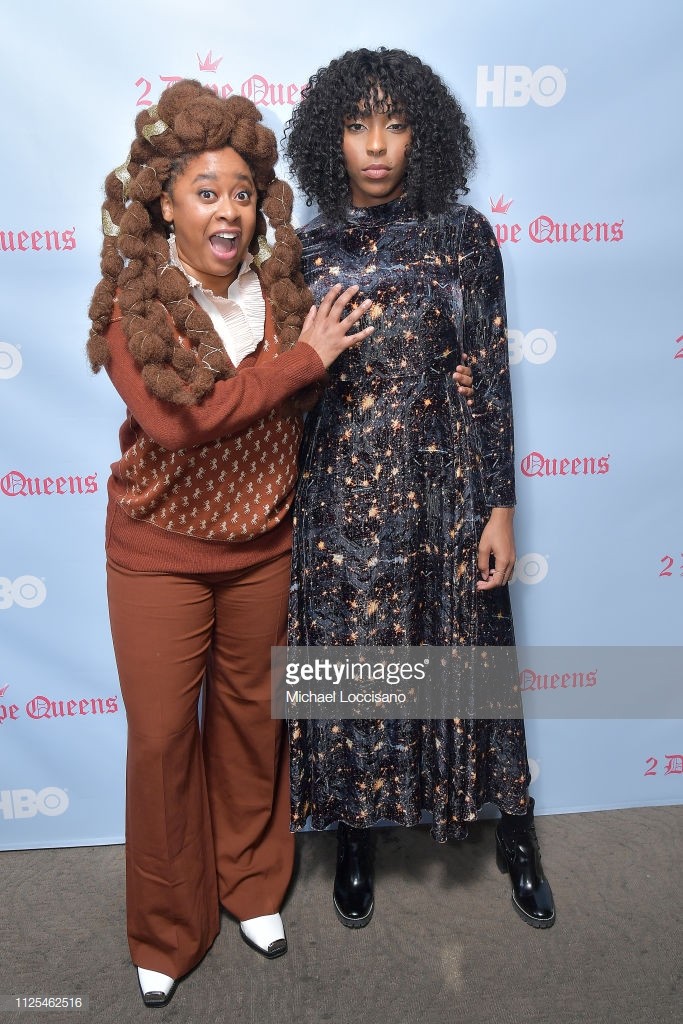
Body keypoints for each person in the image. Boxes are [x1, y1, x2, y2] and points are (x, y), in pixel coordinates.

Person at [86, 79, 379, 1007]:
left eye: (242, 192)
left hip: (264, 549)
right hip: (159, 556)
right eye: (205, 190)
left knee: (255, 725)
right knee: (166, 740)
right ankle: (168, 930)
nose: (227, 208)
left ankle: (252, 886)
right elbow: (181, 424)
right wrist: (304, 363)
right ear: (164, 202)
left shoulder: (284, 298)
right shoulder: (133, 306)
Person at [284, 48, 555, 929]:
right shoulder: (301, 248)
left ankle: (514, 832)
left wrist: (501, 506)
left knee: (471, 661)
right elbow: (281, 378)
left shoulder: (463, 235)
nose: (375, 145)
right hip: (336, 486)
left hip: (443, 485)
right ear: (329, 137)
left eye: (394, 124)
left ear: (421, 135)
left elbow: (489, 374)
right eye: (357, 125)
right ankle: (354, 835)